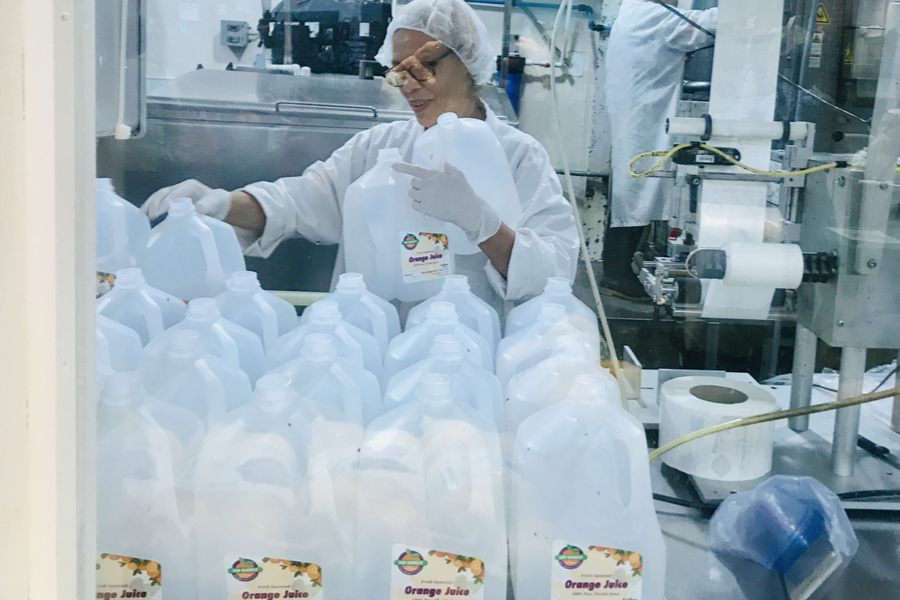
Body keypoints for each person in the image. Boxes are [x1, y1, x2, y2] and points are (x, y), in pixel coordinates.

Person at [142, 0, 579, 314]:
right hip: (375, 348)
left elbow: (554, 272)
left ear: (467, 61)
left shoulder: (520, 158)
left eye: (421, 67)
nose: (407, 84)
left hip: (470, 355)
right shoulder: (378, 148)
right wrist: (223, 203)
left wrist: (483, 224)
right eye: (397, 70)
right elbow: (299, 202)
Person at [602, 0, 717, 300]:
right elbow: (704, 26)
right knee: (636, 192)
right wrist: (759, 18)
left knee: (633, 191)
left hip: (637, 112)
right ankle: (616, 273)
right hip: (643, 117)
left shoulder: (632, 10)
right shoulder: (652, 14)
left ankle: (617, 270)